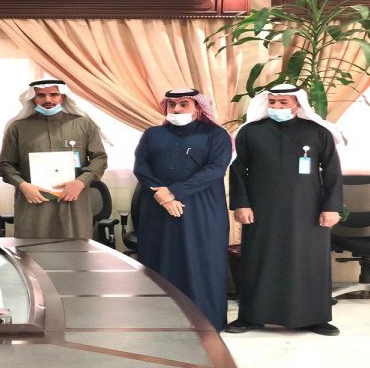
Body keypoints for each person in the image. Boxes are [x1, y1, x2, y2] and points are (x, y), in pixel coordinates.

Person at [227, 83, 343, 336]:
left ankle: (314, 318)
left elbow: (332, 171)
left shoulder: (317, 132)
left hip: (307, 211)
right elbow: (237, 170)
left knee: (308, 261)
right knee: (259, 260)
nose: (276, 106)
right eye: (272, 102)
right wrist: (241, 203)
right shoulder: (251, 132)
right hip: (261, 210)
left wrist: (332, 207)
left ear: (297, 104)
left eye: (283, 102)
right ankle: (251, 316)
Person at [133, 88, 233, 331]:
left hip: (202, 209)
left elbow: (215, 169)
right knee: (160, 261)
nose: (176, 109)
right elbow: (141, 167)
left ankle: (207, 322)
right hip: (158, 208)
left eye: (183, 104)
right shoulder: (152, 134)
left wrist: (174, 192)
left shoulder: (215, 134)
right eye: (172, 105)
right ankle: (161, 322)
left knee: (203, 262)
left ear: (198, 107)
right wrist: (163, 196)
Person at [0, 79, 107, 238]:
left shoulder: (83, 125)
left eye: (54, 94)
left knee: (75, 249)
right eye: (41, 95)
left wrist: (81, 182)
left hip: (73, 203)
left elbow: (100, 159)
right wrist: (23, 185)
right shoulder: (18, 128)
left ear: (63, 96)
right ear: (33, 98)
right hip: (33, 205)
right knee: (32, 250)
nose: (48, 99)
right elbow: (5, 165)